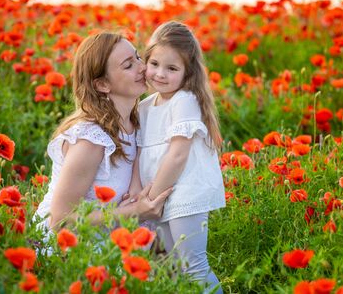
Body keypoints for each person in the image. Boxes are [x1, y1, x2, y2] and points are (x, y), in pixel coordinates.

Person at [34, 31, 172, 233]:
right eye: (128, 65)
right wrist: (135, 211)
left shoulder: (140, 121)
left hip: (111, 244)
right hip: (67, 249)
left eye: (138, 57)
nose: (143, 67)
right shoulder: (91, 139)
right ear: (102, 84)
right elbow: (59, 220)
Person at [129, 21, 225, 293]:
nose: (160, 74)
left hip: (183, 194)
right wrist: (138, 191)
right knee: (168, 266)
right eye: (155, 63)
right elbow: (139, 152)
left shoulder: (184, 100)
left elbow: (178, 154)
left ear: (187, 73)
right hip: (158, 196)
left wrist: (152, 197)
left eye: (172, 68)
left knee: (193, 266)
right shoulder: (147, 105)